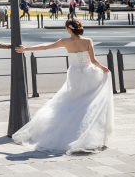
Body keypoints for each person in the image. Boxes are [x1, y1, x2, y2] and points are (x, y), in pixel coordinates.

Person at [13, 19, 113, 153]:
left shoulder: (65, 41)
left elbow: (45, 47)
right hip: (90, 74)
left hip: (75, 74)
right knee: (89, 104)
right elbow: (93, 61)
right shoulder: (88, 41)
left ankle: (71, 134)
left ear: (69, 29)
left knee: (72, 102)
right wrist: (104, 68)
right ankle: (86, 135)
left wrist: (26, 49)